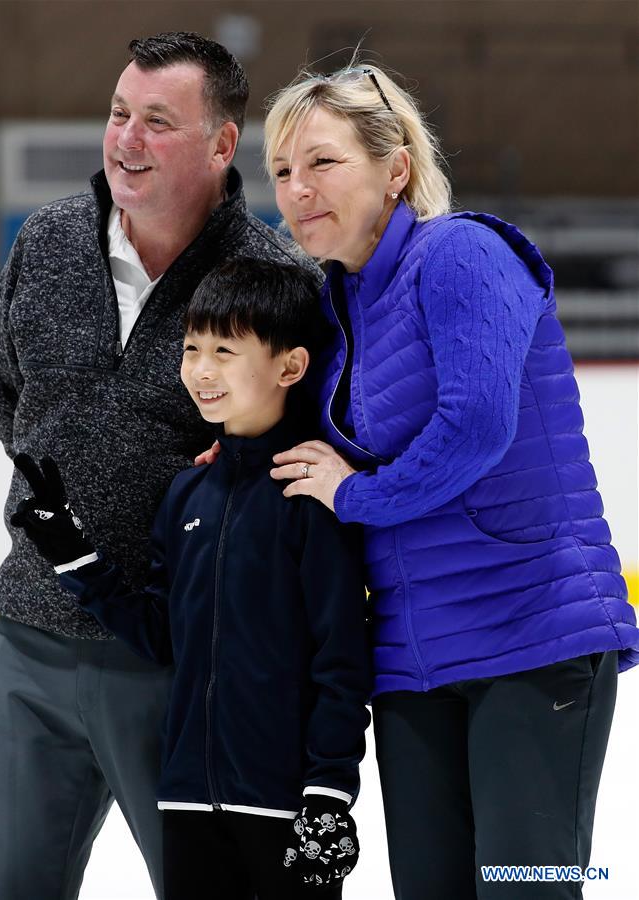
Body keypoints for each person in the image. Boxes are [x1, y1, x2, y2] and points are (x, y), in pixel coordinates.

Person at [259, 63, 639, 899]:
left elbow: (474, 427)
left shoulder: (462, 253)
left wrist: (355, 495)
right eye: (280, 171)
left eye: (321, 163)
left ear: (395, 168)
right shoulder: (334, 306)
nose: (295, 189)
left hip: (530, 637)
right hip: (408, 660)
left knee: (525, 888)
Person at [0, 32, 319, 900]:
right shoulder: (48, 240)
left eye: (157, 121)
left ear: (220, 144)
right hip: (32, 638)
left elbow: (303, 443)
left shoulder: (274, 278)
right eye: (119, 113)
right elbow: (5, 391)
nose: (125, 138)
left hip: (187, 661)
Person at [9, 259, 372, 900]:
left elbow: (340, 659)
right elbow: (160, 632)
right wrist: (70, 551)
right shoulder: (187, 493)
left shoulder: (312, 496)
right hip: (186, 801)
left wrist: (329, 795)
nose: (201, 370)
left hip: (286, 807)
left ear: (290, 367)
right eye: (191, 348)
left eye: (225, 351)